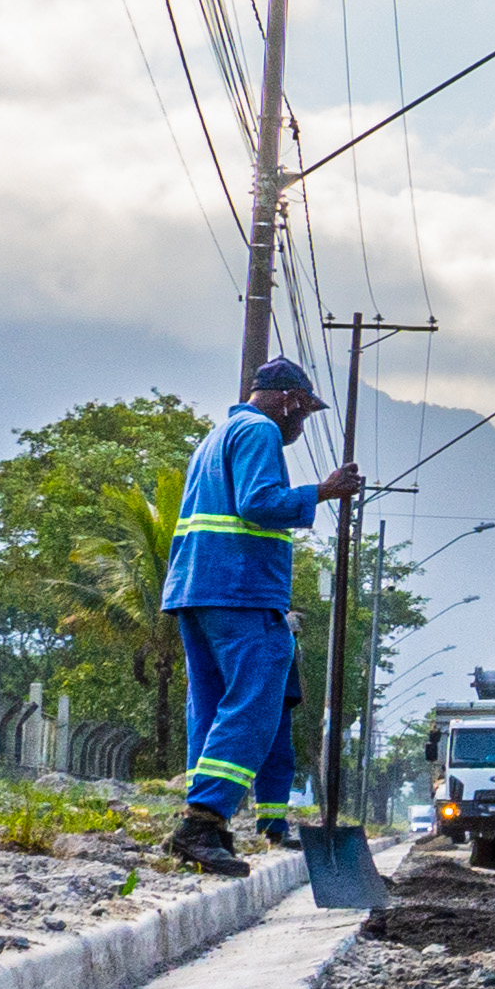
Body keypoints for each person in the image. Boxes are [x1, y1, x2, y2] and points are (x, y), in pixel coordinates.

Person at [157, 358, 365, 875]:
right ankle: (202, 824)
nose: (302, 424)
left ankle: (205, 824)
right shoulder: (259, 431)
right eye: (305, 412)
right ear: (290, 400)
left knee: (209, 709)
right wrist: (324, 490)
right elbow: (258, 503)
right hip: (241, 589)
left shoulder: (218, 435)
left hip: (196, 588)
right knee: (254, 705)